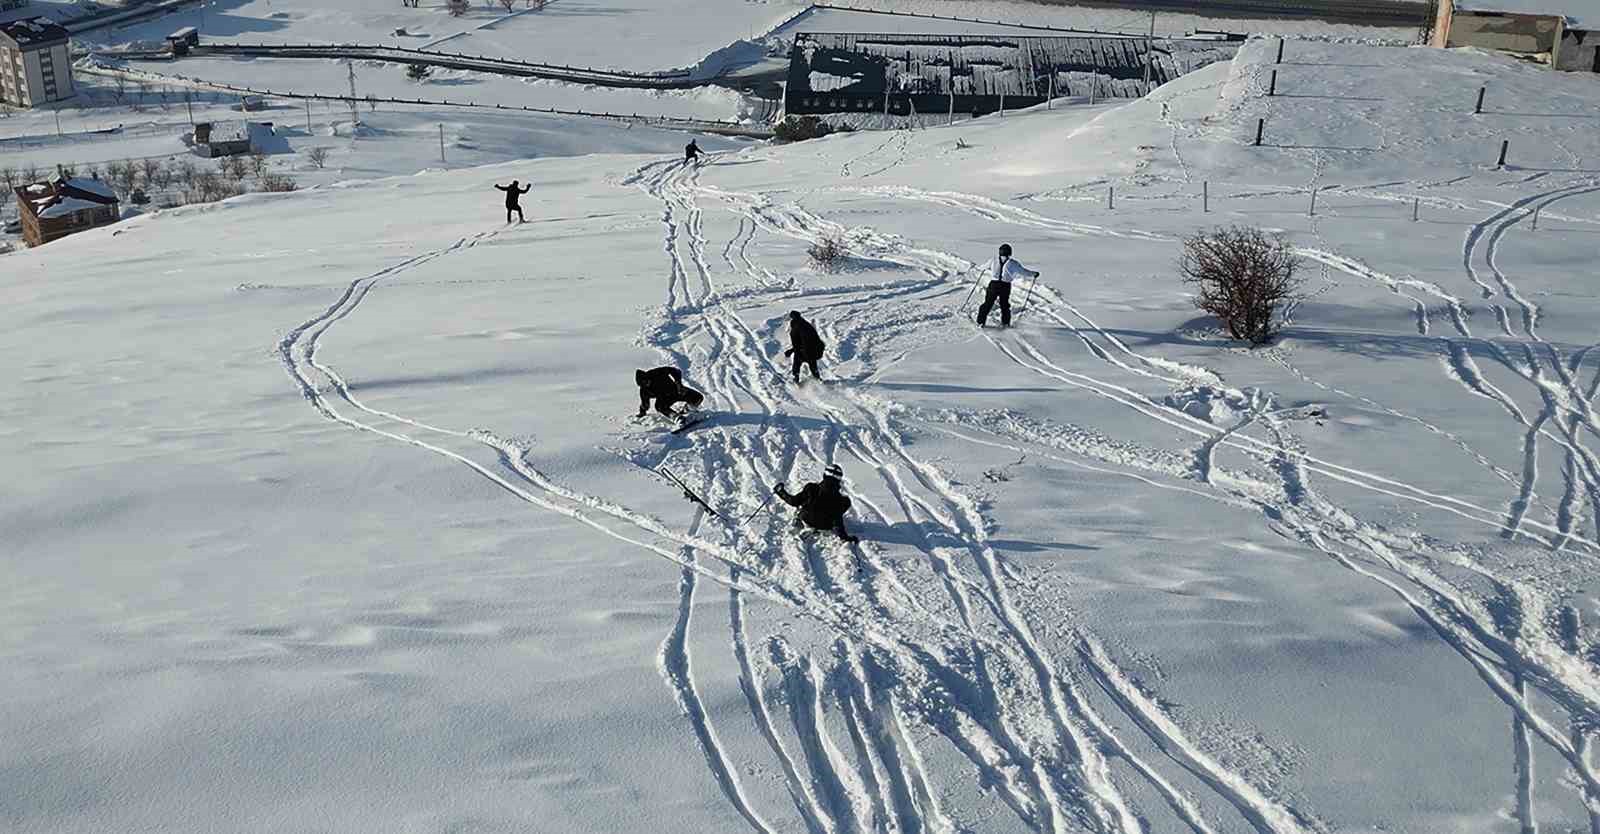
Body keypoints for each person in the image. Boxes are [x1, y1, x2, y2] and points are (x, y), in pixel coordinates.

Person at [775, 464, 859, 543]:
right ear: (839, 479)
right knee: (845, 502)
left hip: (807, 518)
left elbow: (793, 501)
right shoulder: (840, 500)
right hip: (826, 525)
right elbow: (838, 520)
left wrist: (780, 492)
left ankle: (799, 519)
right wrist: (845, 538)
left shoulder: (811, 488)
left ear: (824, 475)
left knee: (804, 502)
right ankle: (820, 523)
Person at [976, 243, 1040, 328]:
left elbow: (983, 267)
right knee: (1004, 305)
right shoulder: (1013, 263)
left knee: (988, 303)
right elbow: (1023, 272)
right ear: (1010, 253)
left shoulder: (993, 260)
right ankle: (1005, 323)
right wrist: (1033, 274)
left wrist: (979, 268)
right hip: (1005, 286)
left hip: (994, 285)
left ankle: (980, 322)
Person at [635, 366, 705, 420]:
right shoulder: (644, 391)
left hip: (676, 390)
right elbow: (645, 404)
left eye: (646, 382)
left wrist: (679, 384)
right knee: (659, 407)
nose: (646, 385)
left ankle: (687, 411)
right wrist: (642, 412)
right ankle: (676, 417)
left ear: (647, 377)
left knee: (698, 397)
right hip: (664, 399)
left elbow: (675, 371)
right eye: (643, 385)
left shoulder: (655, 373)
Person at [783, 311, 825, 384]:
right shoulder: (804, 324)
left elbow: (803, 341)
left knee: (797, 366)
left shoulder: (799, 326)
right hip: (810, 350)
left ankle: (796, 381)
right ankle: (818, 381)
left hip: (806, 351)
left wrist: (791, 351)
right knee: (812, 366)